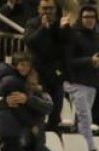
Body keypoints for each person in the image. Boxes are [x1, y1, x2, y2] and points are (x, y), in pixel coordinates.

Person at [0, 53, 62, 151]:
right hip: (11, 141)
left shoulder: (37, 96)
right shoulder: (9, 87)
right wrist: (5, 102)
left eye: (34, 85)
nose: (32, 87)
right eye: (29, 85)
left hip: (35, 144)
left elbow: (48, 107)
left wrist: (28, 99)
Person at [63, 4, 99, 151]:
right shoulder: (73, 35)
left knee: (82, 119)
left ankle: (77, 148)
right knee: (85, 118)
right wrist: (90, 61)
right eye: (86, 17)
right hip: (76, 82)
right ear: (81, 18)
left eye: (92, 17)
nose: (89, 20)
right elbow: (68, 61)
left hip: (91, 83)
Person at [23, 0, 68, 130]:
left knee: (56, 108)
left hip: (55, 74)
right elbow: (29, 42)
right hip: (37, 73)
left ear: (55, 9)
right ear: (39, 9)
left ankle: (52, 131)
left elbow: (67, 47)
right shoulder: (33, 23)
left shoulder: (61, 24)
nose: (47, 11)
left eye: (50, 8)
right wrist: (43, 28)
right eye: (44, 8)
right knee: (37, 107)